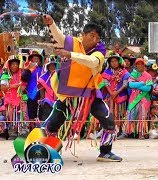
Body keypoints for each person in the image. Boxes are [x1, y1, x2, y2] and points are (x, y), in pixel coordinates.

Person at [42, 15, 122, 162]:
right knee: (53, 123)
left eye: (97, 38)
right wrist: (51, 23)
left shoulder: (100, 50)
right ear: (83, 35)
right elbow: (58, 36)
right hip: (68, 93)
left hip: (89, 94)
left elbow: (92, 62)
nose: (95, 40)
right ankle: (50, 150)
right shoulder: (71, 42)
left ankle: (105, 152)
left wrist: (70, 55)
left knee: (108, 120)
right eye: (92, 36)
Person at [102, 52, 130, 138]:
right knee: (110, 114)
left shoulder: (124, 72)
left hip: (120, 96)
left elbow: (125, 84)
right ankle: (109, 130)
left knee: (120, 114)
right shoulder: (107, 71)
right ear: (109, 63)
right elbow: (105, 83)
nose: (114, 63)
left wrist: (116, 92)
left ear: (119, 62)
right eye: (112, 61)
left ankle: (120, 131)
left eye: (115, 61)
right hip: (109, 97)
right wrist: (111, 92)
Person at [124, 58, 152, 139]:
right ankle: (127, 132)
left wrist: (137, 84)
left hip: (144, 98)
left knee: (142, 116)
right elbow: (131, 85)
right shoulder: (133, 74)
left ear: (144, 65)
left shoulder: (148, 75)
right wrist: (142, 83)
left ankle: (141, 133)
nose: (139, 66)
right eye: (138, 64)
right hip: (133, 98)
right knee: (130, 115)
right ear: (136, 66)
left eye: (141, 64)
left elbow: (148, 89)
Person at [37, 55, 57, 121]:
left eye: (53, 65)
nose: (52, 67)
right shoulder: (43, 78)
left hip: (58, 100)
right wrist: (42, 99)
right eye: (50, 65)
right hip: (48, 101)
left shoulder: (59, 76)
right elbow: (41, 90)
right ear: (47, 67)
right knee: (47, 118)